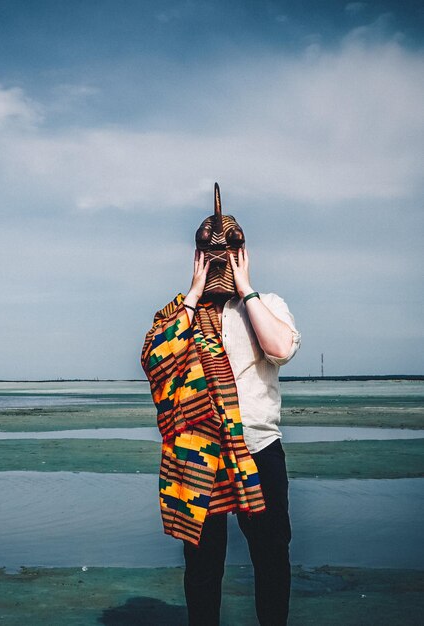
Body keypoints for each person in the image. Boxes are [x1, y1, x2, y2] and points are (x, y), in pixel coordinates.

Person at [141, 183, 300, 625]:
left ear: (243, 252)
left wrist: (246, 289)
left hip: (259, 450)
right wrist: (192, 294)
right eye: (208, 254)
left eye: (228, 251)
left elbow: (280, 348)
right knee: (203, 566)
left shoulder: (267, 305)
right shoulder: (180, 313)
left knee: (272, 557)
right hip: (200, 457)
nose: (218, 260)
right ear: (196, 257)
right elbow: (156, 360)